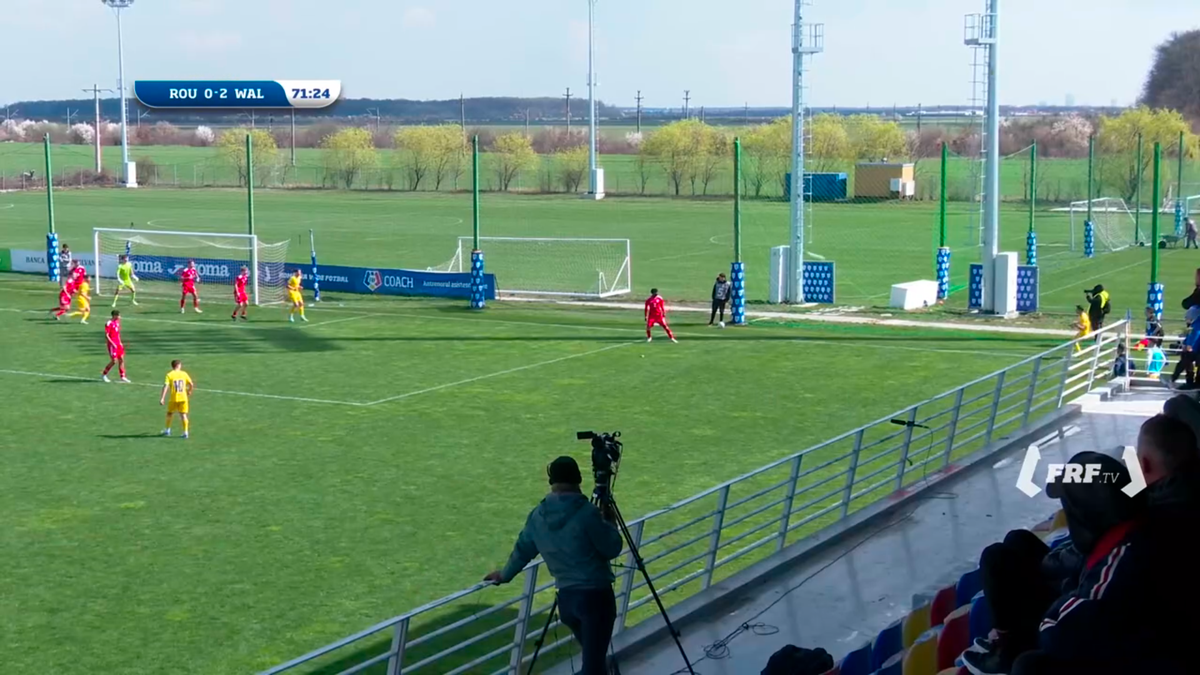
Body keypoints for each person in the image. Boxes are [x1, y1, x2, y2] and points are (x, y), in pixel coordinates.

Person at [1007, 418, 1200, 675]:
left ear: (1144, 464)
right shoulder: (1170, 505)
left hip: (1149, 646)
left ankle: (1003, 646)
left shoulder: (1142, 532)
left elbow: (1069, 626)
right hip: (1152, 635)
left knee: (1028, 665)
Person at [963, 451, 1144, 675]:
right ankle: (1004, 637)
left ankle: (1006, 649)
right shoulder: (1121, 528)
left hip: (1074, 629)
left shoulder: (1116, 563)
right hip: (1075, 592)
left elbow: (1060, 631)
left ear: (1084, 514)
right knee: (1017, 540)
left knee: (995, 558)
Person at [483, 456, 623, 675]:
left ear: (552, 481)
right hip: (596, 600)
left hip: (567, 602)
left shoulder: (538, 515)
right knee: (593, 667)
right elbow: (612, 548)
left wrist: (504, 575)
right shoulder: (587, 513)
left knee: (594, 660)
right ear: (577, 479)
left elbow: (523, 551)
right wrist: (610, 523)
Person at [1161, 305, 1200, 389]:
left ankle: (1173, 379)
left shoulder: (1197, 323)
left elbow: (1196, 334)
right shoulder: (1195, 323)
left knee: (1183, 363)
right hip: (1194, 349)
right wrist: (1185, 344)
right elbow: (1191, 335)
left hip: (1194, 349)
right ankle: (1189, 383)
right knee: (1186, 364)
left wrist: (1189, 345)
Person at [160, 359, 194, 439]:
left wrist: (162, 398)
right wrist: (189, 391)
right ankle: (185, 432)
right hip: (183, 398)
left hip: (174, 398)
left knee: (169, 413)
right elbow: (191, 384)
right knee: (183, 415)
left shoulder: (169, 375)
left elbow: (166, 386)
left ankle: (167, 430)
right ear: (178, 365)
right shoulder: (184, 374)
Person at [101, 310, 130, 383]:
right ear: (114, 315)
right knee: (114, 361)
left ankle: (122, 376)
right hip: (112, 345)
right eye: (118, 315)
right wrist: (112, 343)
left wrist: (120, 342)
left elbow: (117, 334)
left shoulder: (117, 322)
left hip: (118, 344)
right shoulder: (108, 323)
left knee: (121, 359)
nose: (120, 317)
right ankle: (104, 374)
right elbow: (106, 335)